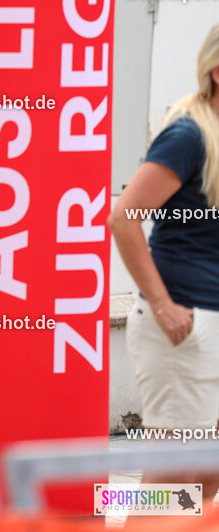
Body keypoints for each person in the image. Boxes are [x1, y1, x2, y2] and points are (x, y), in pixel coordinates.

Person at [109, 24, 219, 499]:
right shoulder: (188, 135)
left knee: (208, 475)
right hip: (184, 327)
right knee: (173, 477)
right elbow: (123, 218)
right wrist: (162, 305)